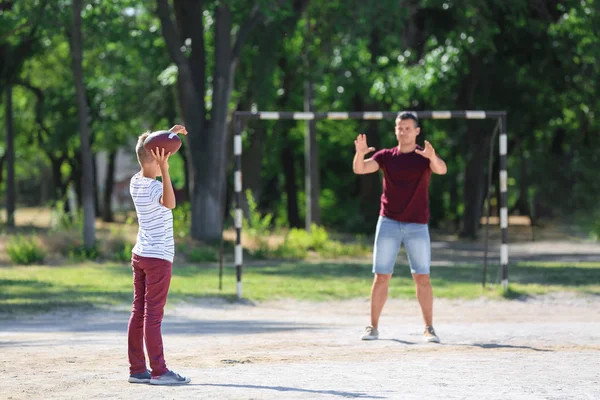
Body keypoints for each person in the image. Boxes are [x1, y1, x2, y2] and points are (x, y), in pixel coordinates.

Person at [353, 112, 447, 343]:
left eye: (407, 128)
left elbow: (442, 169)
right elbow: (360, 169)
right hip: (389, 223)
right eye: (399, 127)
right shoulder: (386, 156)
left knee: (422, 277)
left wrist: (432, 157)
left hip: (417, 225)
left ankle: (429, 328)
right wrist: (359, 153)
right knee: (381, 276)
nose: (402, 131)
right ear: (395, 130)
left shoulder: (424, 157)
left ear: (417, 131)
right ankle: (372, 327)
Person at [127, 125, 191, 385]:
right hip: (158, 259)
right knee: (153, 315)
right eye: (164, 157)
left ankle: (137, 369)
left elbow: (149, 149)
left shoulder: (135, 182)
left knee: (138, 311)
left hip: (140, 254)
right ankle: (159, 371)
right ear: (157, 159)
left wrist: (168, 133)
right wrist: (165, 170)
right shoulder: (156, 189)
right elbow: (171, 203)